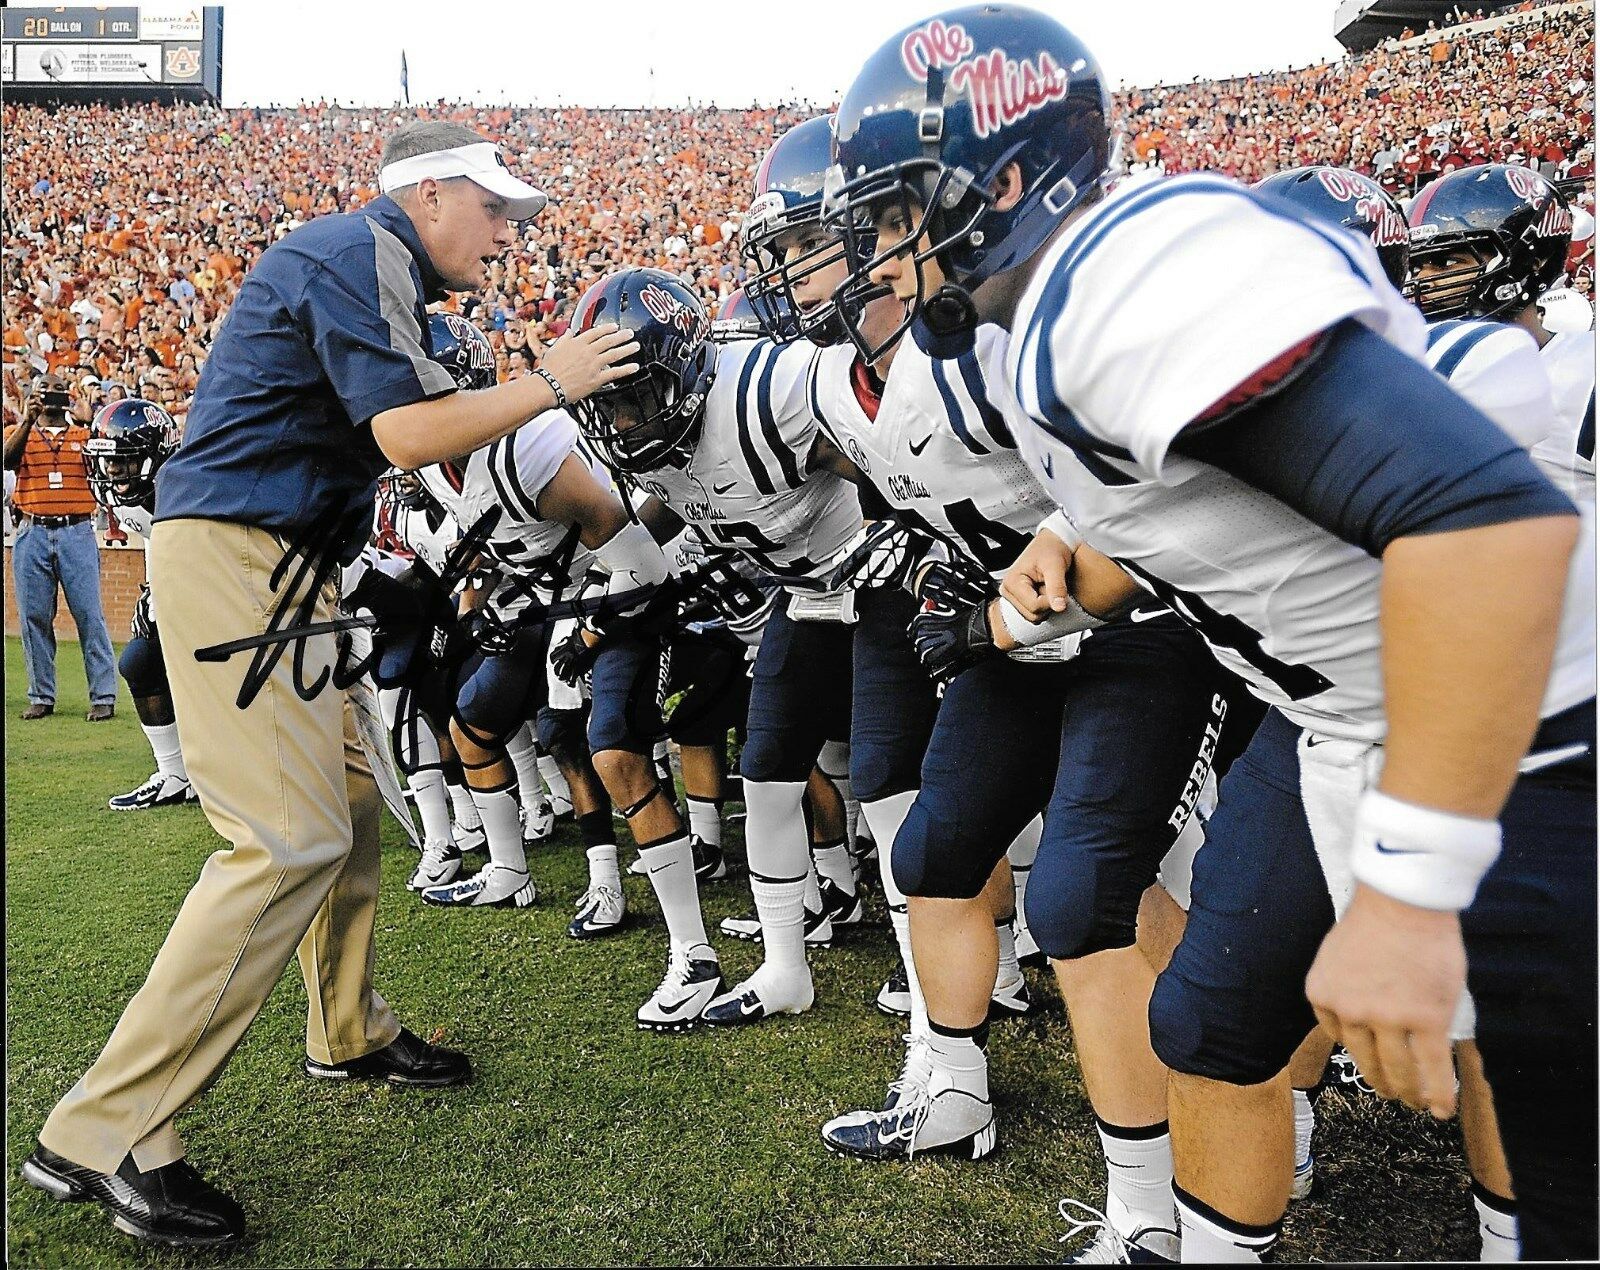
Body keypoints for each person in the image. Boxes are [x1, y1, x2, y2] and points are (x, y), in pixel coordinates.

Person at [824, 6, 1593, 1259]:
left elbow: (1485, 527)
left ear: (1003, 182)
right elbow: (1214, 523)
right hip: (1341, 709)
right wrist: (1059, 555)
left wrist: (1404, 892)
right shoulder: (1061, 316)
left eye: (901, 214)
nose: (884, 255)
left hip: (1518, 713)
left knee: (1544, 1112)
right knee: (1211, 1020)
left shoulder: (1116, 279)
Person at [20, 119, 640, 1250]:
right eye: (496, 209)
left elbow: (429, 438)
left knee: (350, 810)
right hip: (237, 554)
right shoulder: (355, 253)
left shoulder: (385, 267)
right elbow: (408, 435)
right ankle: (104, 1128)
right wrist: (551, 381)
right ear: (433, 192)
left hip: (290, 564)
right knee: (287, 838)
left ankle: (344, 1024)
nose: (509, 233)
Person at [83, 395, 199, 809]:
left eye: (126, 460)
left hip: (222, 595)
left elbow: (212, 552)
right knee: (139, 662)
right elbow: (158, 544)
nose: (113, 471)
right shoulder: (127, 499)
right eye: (108, 460)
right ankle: (174, 774)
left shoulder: (189, 488)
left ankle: (235, 777)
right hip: (175, 590)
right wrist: (153, 590)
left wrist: (169, 592)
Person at [3, 371, 119, 721]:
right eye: (44, 390)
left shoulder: (85, 435)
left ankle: (103, 696)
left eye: (57, 390)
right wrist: (27, 419)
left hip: (77, 531)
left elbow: (107, 467)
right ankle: (41, 695)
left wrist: (92, 424)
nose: (51, 395)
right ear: (32, 395)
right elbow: (7, 462)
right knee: (34, 617)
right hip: (32, 531)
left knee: (90, 616)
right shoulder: (18, 432)